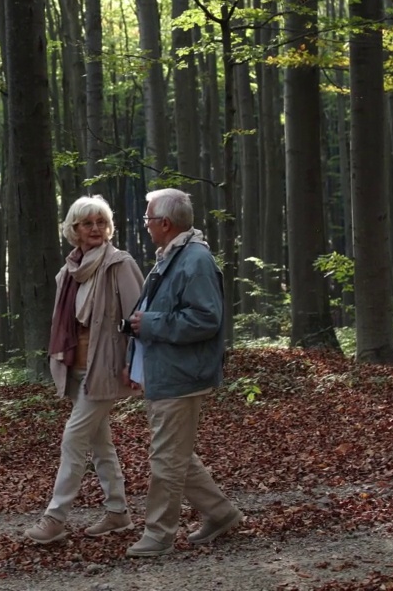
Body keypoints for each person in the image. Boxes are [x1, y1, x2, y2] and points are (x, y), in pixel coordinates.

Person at [121, 187, 241, 558]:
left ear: (166, 223)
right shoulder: (172, 256)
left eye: (148, 219)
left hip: (182, 375)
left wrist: (151, 323)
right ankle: (221, 514)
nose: (145, 226)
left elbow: (207, 319)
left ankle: (159, 534)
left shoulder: (194, 259)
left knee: (165, 458)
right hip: (165, 371)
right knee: (176, 454)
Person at [25, 195, 146, 544]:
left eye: (101, 223)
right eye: (87, 223)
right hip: (76, 368)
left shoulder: (119, 264)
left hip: (105, 369)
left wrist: (130, 363)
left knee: (74, 439)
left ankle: (55, 518)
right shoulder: (68, 272)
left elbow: (137, 320)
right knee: (100, 444)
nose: (95, 229)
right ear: (74, 230)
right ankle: (118, 512)